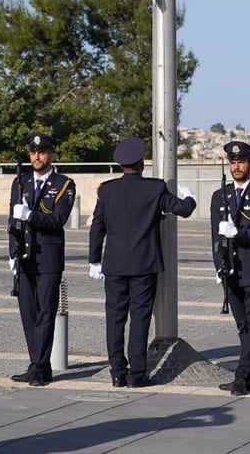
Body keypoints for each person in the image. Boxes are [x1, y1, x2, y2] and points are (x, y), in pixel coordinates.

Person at [87, 136, 197, 388]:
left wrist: (94, 259)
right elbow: (183, 209)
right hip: (144, 264)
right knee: (140, 319)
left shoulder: (106, 190)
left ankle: (117, 372)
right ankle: (137, 374)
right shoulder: (155, 188)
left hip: (114, 264)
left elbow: (97, 227)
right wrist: (189, 196)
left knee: (114, 319)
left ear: (121, 165)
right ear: (142, 163)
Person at [7, 131, 76, 386]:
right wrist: (12, 251)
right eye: (33, 152)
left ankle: (37, 367)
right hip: (25, 257)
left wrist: (30, 216)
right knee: (28, 315)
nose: (37, 156)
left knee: (45, 314)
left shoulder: (64, 184)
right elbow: (12, 221)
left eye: (42, 152)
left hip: (48, 258)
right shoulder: (20, 182)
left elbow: (57, 220)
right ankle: (40, 365)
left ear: (52, 154)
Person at [210, 140, 250, 395]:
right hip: (229, 269)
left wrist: (237, 233)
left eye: (241, 162)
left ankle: (240, 377)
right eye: (233, 162)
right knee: (242, 325)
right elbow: (214, 238)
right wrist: (218, 267)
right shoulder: (219, 196)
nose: (237, 166)